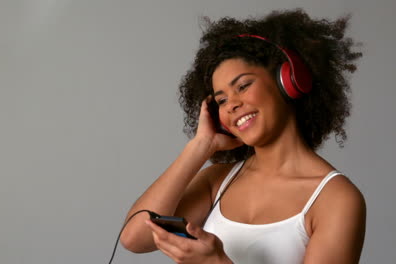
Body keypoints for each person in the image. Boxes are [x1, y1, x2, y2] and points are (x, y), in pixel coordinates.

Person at [120, 9, 366, 264]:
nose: (231, 105)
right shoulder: (217, 181)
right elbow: (134, 238)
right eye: (221, 100)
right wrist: (200, 147)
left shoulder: (336, 198)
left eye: (243, 86)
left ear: (288, 82)